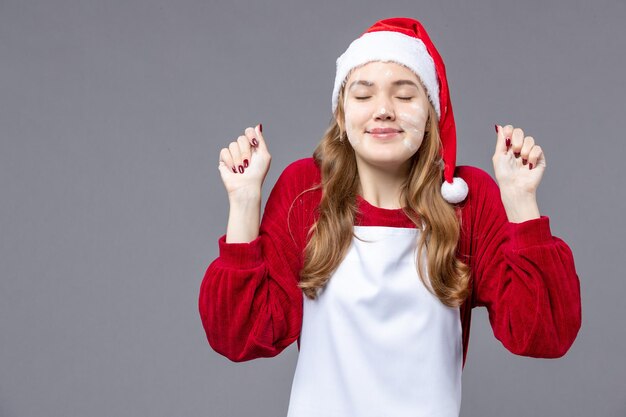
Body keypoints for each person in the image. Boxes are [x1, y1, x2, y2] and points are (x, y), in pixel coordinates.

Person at [198, 17, 582, 417]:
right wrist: (243, 203)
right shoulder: (305, 191)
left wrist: (521, 202)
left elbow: (544, 336)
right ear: (342, 118)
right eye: (363, 96)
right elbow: (238, 336)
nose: (383, 110)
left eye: (404, 95)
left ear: (431, 113)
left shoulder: (467, 200)